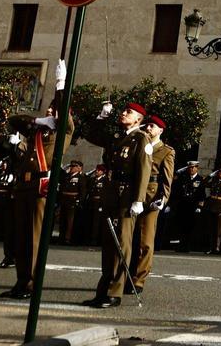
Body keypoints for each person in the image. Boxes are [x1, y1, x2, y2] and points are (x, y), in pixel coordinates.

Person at [82, 100, 152, 309]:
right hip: (111, 193)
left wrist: (138, 200)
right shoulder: (117, 136)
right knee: (108, 243)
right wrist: (102, 117)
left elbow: (144, 170)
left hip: (127, 195)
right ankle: (102, 291)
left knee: (122, 243)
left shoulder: (141, 139)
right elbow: (91, 135)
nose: (123, 113)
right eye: (123, 111)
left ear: (138, 119)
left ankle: (115, 292)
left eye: (128, 112)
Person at [1, 99, 70, 300]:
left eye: (53, 109)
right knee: (20, 236)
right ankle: (21, 281)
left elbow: (68, 121)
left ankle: (31, 283)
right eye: (48, 109)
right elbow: (14, 120)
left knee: (33, 238)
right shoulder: (37, 130)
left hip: (41, 188)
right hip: (24, 186)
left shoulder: (62, 132)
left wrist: (61, 87)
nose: (49, 111)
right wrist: (39, 120)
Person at [131, 115, 173, 293]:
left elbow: (167, 177)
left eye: (152, 126)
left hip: (150, 195)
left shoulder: (166, 151)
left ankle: (139, 280)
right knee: (129, 239)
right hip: (133, 194)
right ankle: (126, 274)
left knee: (145, 240)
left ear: (160, 131)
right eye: (147, 125)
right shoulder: (138, 145)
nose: (148, 128)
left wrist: (163, 198)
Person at [171, 161, 204, 252]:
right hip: (183, 205)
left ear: (197, 168)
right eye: (190, 167)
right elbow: (177, 191)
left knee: (190, 226)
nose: (192, 169)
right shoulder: (183, 178)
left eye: (194, 167)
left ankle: (187, 246)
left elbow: (202, 194)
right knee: (181, 225)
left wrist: (199, 206)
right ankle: (180, 245)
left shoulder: (200, 179)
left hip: (193, 206)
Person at [57, 160, 87, 245]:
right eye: (71, 166)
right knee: (62, 220)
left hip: (73, 201)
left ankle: (67, 238)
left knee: (70, 221)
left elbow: (82, 191)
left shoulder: (81, 178)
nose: (71, 168)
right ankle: (61, 237)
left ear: (78, 168)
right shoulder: (67, 176)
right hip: (64, 200)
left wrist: (79, 201)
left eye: (74, 167)